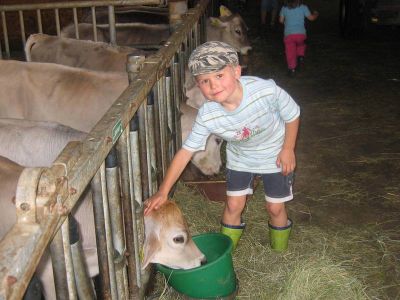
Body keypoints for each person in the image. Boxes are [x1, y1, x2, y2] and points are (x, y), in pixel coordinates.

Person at [144, 41, 300, 252]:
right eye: (204, 81)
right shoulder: (208, 114)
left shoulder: (265, 91)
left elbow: (292, 114)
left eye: (219, 76)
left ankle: (279, 252)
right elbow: (185, 152)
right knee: (234, 205)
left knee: (275, 207)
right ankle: (227, 252)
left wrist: (288, 148)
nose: (213, 86)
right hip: (240, 157)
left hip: (274, 154)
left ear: (236, 72)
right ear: (198, 85)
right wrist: (163, 191)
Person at [279, 0, 319, 76]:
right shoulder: (303, 7)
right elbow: (311, 18)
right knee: (301, 44)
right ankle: (300, 56)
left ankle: (292, 69)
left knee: (290, 52)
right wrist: (316, 14)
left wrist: (285, 23)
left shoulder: (284, 8)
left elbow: (281, 20)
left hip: (289, 35)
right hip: (301, 34)